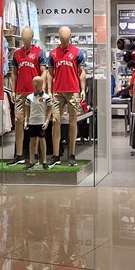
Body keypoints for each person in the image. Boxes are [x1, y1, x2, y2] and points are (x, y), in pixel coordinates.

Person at [7, 27, 47, 166]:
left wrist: (41, 89)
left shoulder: (39, 53)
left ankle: (34, 155)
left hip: (34, 93)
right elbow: (14, 73)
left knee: (34, 124)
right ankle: (19, 155)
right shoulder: (17, 54)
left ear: (32, 37)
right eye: (23, 38)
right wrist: (13, 90)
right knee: (18, 120)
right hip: (20, 92)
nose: (25, 40)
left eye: (27, 37)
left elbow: (43, 72)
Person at [47, 26, 86, 168]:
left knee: (72, 121)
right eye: (61, 38)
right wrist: (49, 90)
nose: (63, 40)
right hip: (58, 91)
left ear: (70, 37)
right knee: (55, 120)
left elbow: (82, 71)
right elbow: (50, 73)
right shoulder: (53, 53)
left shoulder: (77, 52)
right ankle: (56, 155)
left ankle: (72, 154)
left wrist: (82, 89)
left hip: (73, 90)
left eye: (66, 38)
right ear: (59, 37)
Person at [24, 76, 52, 170]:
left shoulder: (46, 97)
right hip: (32, 122)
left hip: (41, 122)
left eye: (37, 82)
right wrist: (26, 121)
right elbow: (27, 110)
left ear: (41, 83)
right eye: (34, 82)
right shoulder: (29, 97)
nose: (35, 84)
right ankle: (31, 161)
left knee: (42, 140)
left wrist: (47, 121)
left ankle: (44, 161)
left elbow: (49, 110)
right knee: (32, 141)